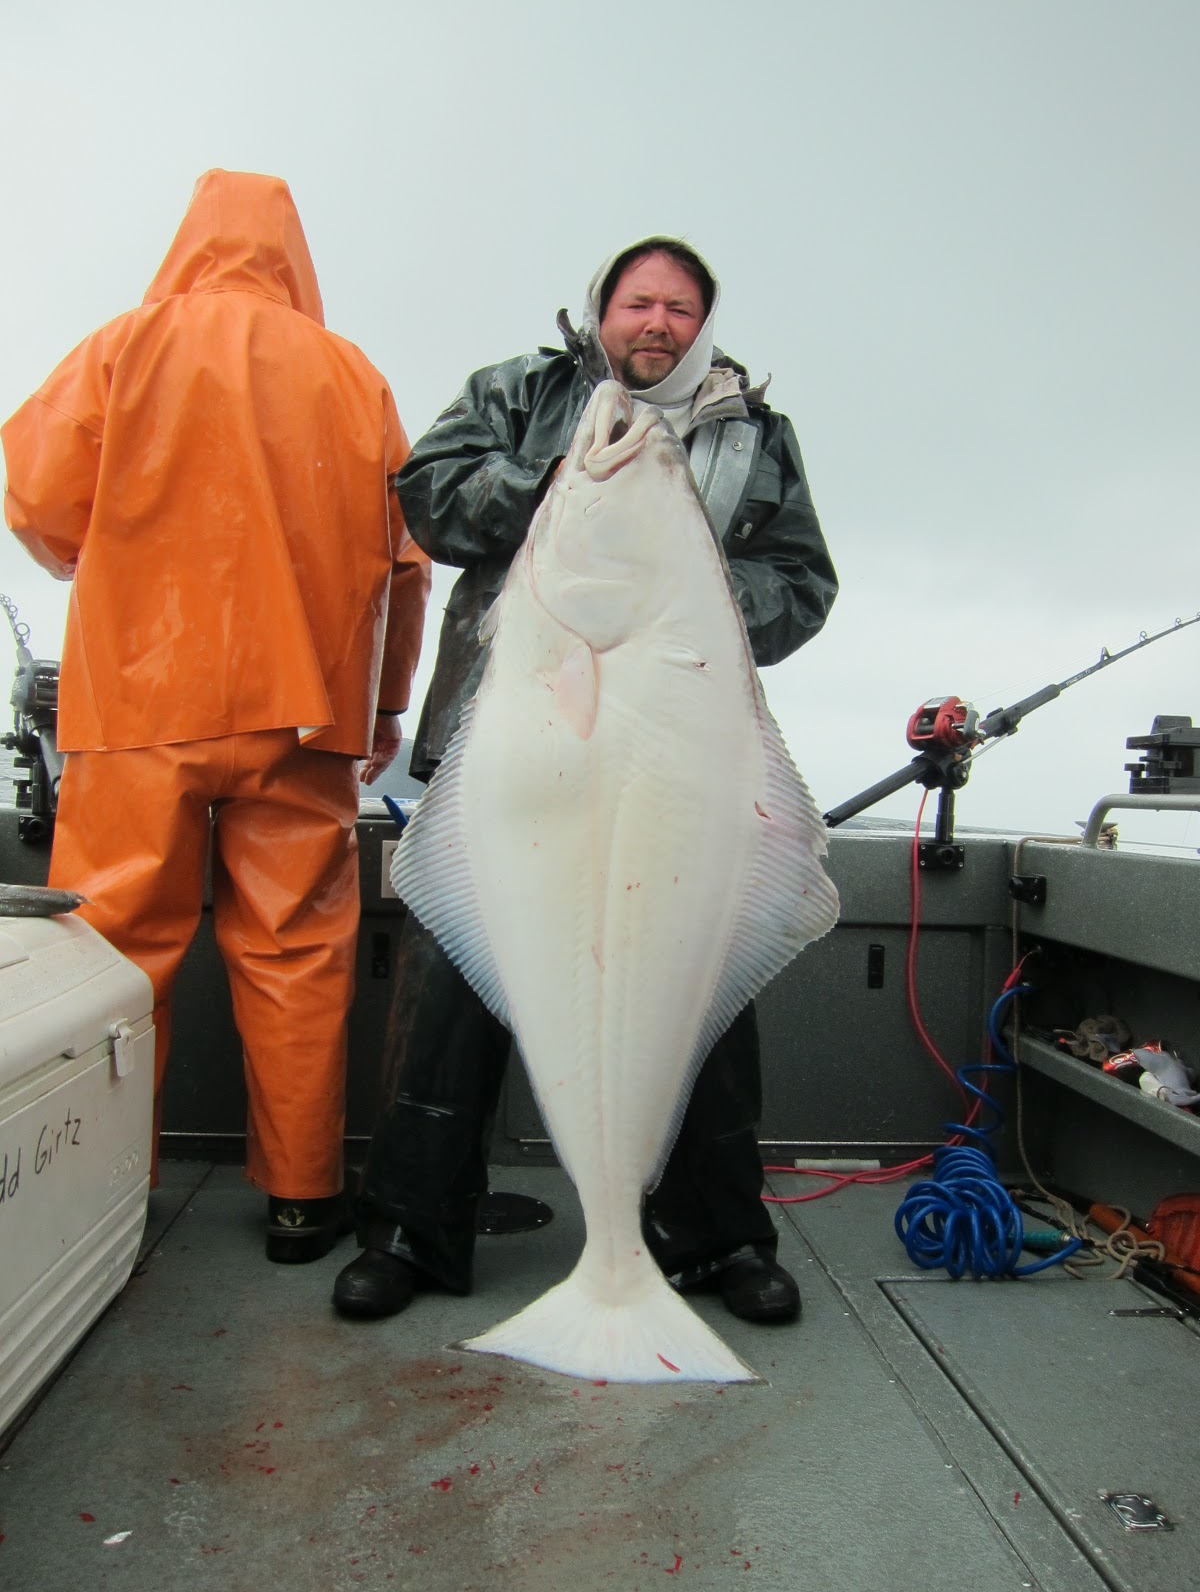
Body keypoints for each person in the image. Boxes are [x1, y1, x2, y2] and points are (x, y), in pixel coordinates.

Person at [333, 236, 837, 1321]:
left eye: (681, 308)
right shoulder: (521, 394)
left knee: (700, 995)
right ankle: (412, 1231)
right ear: (601, 310)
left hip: (678, 760)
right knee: (449, 1002)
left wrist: (693, 596)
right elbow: (431, 499)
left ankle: (717, 1240)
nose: (658, 323)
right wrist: (555, 477)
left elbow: (802, 583)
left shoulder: (757, 433)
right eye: (638, 302)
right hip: (505, 741)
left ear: (703, 324)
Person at [1, 169, 431, 1263]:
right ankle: (304, 1199)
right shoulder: (354, 376)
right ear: (294, 257)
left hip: (140, 704)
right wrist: (385, 702)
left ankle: (101, 1197)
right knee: (298, 953)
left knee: (114, 953)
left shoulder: (124, 346)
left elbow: (38, 498)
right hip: (305, 717)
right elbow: (405, 560)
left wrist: (90, 555)